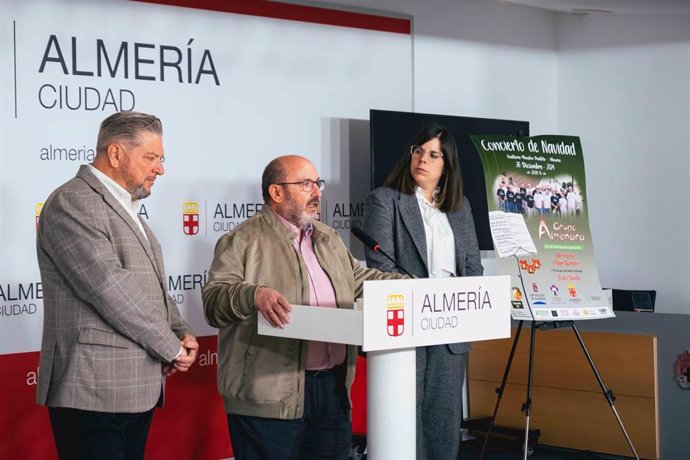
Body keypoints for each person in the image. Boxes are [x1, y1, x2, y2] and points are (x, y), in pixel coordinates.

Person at [202, 155, 404, 460]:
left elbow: (361, 280)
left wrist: (413, 285)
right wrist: (252, 296)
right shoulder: (242, 241)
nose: (317, 192)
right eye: (305, 184)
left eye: (317, 183)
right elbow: (214, 301)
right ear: (276, 192)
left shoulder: (328, 238)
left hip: (332, 393)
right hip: (270, 397)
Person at [36, 111, 198, 460]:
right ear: (115, 154)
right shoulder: (73, 202)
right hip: (93, 391)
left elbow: (150, 285)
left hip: (131, 388)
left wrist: (180, 330)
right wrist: (169, 346)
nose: (160, 169)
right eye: (151, 158)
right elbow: (110, 289)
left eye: (161, 159)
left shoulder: (124, 205)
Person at [362, 125, 483, 460]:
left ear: (447, 165)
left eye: (433, 154)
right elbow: (379, 262)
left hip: (451, 325)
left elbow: (472, 265)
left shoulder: (460, 208)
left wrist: (458, 296)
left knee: (443, 419)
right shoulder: (385, 200)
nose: (422, 159)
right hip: (407, 322)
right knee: (404, 414)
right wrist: (422, 294)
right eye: (418, 151)